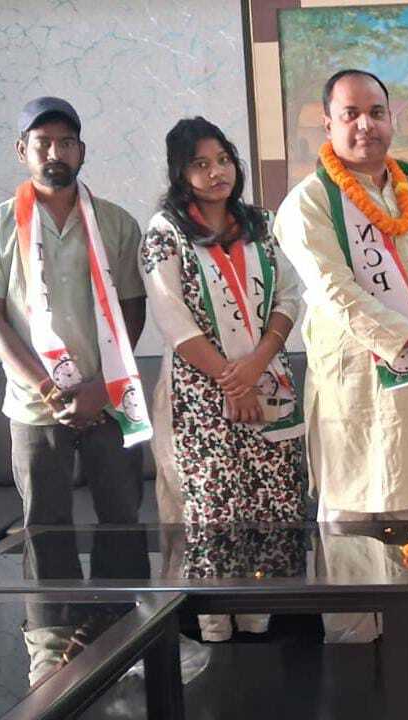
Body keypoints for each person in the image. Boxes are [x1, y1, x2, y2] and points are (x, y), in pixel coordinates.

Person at [274, 69, 408, 643]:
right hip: (353, 388)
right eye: (351, 114)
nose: (366, 125)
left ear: (391, 118)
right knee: (350, 528)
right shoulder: (306, 204)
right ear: (327, 122)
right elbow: (337, 292)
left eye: (376, 112)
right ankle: (354, 657)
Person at [0, 96, 150, 684]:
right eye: (43, 142)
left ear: (82, 151)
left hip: (109, 399)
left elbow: (132, 309)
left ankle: (120, 632)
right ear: (22, 150)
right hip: (35, 405)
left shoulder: (116, 222)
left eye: (67, 142)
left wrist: (103, 386)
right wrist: (44, 386)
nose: (56, 152)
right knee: (46, 523)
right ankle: (50, 646)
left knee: (121, 515)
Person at [140, 116, 306, 641]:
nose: (217, 173)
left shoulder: (260, 223)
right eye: (201, 164)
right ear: (180, 173)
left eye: (224, 160)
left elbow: (289, 296)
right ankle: (215, 630)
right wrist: (236, 383)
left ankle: (259, 620)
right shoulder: (165, 232)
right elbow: (173, 319)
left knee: (270, 505)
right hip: (200, 400)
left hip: (269, 384)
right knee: (212, 511)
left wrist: (257, 365)